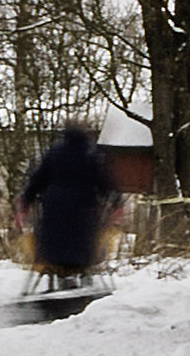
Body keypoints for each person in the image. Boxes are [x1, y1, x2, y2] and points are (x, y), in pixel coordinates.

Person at [18, 117, 122, 296]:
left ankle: (58, 275)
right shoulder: (91, 156)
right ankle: (81, 279)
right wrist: (116, 204)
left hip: (54, 211)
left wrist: (25, 201)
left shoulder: (53, 154)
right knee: (83, 245)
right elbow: (106, 184)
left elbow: (37, 180)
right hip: (83, 212)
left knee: (54, 246)